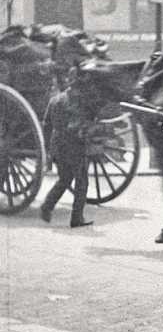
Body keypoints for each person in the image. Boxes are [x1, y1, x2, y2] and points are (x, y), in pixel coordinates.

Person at [40, 75, 97, 228]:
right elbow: (90, 120)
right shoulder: (82, 101)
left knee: (64, 179)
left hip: (58, 145)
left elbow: (46, 125)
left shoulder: (55, 100)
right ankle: (76, 218)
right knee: (82, 182)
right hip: (75, 145)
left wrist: (48, 149)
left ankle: (47, 206)